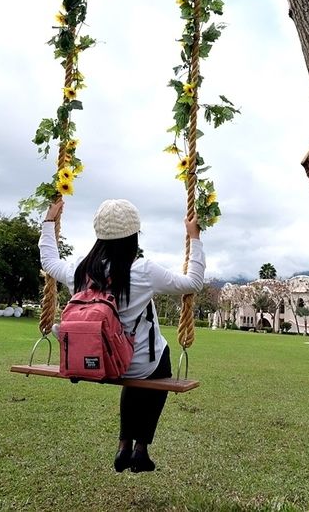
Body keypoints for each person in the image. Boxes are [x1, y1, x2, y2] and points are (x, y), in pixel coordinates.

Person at [39, 197, 205, 474]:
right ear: (134, 235)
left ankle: (123, 444)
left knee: (129, 368)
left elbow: (49, 260)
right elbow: (193, 283)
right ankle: (140, 447)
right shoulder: (143, 270)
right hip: (136, 364)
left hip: (94, 359)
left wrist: (48, 222)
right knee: (157, 362)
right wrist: (194, 238)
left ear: (98, 235)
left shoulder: (80, 269)